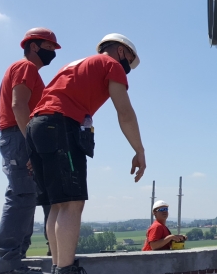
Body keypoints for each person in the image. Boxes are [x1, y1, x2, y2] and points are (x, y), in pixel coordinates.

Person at [26, 33, 146, 274]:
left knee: (58, 205)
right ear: (120, 51)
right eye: (129, 59)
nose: (128, 67)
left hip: (37, 126)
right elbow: (125, 112)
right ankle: (66, 270)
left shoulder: (76, 65)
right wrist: (139, 150)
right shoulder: (111, 64)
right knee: (72, 204)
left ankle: (59, 267)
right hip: (60, 125)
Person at [0, 28, 60, 274]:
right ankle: (9, 267)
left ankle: (16, 262)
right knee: (21, 196)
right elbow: (18, 104)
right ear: (34, 46)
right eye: (50, 47)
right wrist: (32, 144)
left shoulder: (27, 70)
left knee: (27, 197)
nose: (53, 52)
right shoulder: (26, 68)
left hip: (19, 136)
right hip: (19, 136)